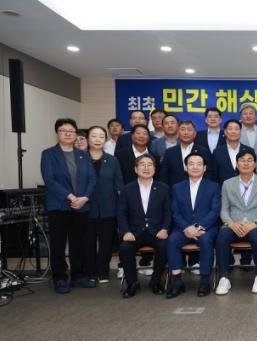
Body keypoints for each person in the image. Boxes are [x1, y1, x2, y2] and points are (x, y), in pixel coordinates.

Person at [40, 118, 97, 294]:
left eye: (71, 131)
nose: (67, 134)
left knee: (78, 242)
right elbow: (49, 180)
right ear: (57, 134)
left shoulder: (83, 155)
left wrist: (84, 197)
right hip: (59, 205)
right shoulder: (49, 154)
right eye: (63, 130)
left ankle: (78, 275)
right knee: (58, 243)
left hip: (81, 206)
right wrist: (71, 196)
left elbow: (92, 179)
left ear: (75, 134)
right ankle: (60, 278)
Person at [215, 149, 257, 295]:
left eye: (249, 160)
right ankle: (223, 277)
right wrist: (231, 223)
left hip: (256, 225)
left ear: (255, 164)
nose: (246, 163)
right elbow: (224, 209)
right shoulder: (227, 184)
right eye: (242, 160)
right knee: (222, 236)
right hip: (234, 225)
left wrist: (255, 223)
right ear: (237, 164)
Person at [165, 153, 220, 298]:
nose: (195, 167)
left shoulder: (214, 186)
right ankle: (177, 282)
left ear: (204, 168)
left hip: (206, 228)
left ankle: (205, 281)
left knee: (206, 241)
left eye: (199, 164)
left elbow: (215, 211)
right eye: (191, 163)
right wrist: (186, 228)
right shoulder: (177, 187)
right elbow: (175, 212)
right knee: (172, 240)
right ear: (185, 167)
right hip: (183, 228)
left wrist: (198, 227)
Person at [117, 154, 170, 298]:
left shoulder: (163, 188)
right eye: (142, 164)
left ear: (155, 169)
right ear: (136, 169)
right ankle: (132, 283)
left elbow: (168, 212)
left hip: (156, 231)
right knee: (125, 248)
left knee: (165, 246)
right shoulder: (127, 189)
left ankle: (156, 281)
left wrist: (165, 229)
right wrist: (126, 231)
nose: (146, 168)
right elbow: (121, 213)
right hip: (134, 232)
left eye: (150, 165)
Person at [85, 126, 123, 283]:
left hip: (108, 208)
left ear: (105, 140)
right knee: (87, 242)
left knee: (106, 243)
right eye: (94, 136)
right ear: (88, 138)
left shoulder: (112, 160)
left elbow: (119, 185)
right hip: (85, 208)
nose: (97, 139)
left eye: (101, 136)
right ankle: (90, 272)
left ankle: (103, 271)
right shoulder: (80, 158)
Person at [158, 120, 213, 186]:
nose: (186, 133)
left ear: (195, 134)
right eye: (182, 129)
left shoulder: (204, 151)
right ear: (178, 133)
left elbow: (209, 174)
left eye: (189, 130)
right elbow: (163, 175)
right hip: (174, 189)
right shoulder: (169, 152)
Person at [211, 119, 250, 185]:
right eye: (230, 129)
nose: (233, 131)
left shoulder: (249, 151)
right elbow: (214, 175)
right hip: (223, 189)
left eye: (236, 129)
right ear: (225, 132)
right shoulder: (217, 152)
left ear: (241, 132)